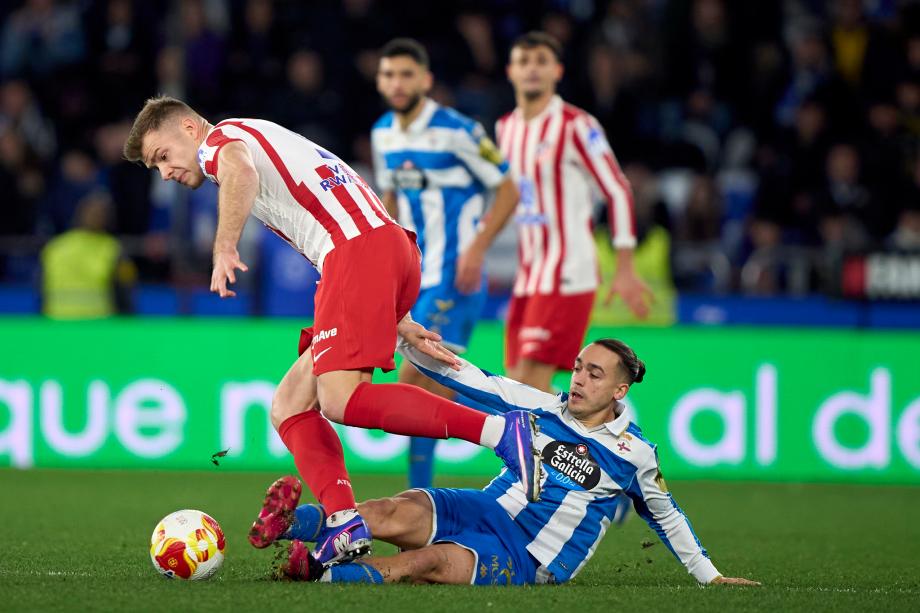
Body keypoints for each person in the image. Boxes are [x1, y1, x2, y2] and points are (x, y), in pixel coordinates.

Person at [121, 96, 542, 567]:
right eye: (154, 167)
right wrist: (396, 317)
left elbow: (240, 173)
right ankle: (343, 521)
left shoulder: (220, 143)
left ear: (188, 127)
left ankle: (502, 430)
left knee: (341, 398)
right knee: (289, 405)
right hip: (387, 248)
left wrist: (224, 247)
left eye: (162, 156)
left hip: (356, 252)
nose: (165, 172)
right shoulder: (255, 130)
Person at [249, 337, 760, 588]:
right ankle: (289, 524)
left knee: (425, 561)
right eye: (579, 367)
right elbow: (472, 380)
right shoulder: (542, 406)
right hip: (486, 509)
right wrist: (404, 339)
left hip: (530, 557)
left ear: (620, 390)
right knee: (392, 508)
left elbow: (665, 515)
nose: (579, 379)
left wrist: (709, 576)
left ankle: (319, 572)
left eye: (595, 374)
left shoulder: (636, 455)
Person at [372, 37, 519, 489]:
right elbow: (389, 202)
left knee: (414, 382)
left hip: (455, 277)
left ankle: (422, 496)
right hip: (415, 282)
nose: (397, 83)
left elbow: (510, 188)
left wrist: (477, 249)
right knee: (434, 392)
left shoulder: (460, 130)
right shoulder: (383, 134)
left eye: (406, 74)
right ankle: (541, 431)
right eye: (389, 74)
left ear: (426, 80)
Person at [497, 32, 652, 392]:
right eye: (524, 61)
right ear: (510, 71)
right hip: (529, 276)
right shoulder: (506, 128)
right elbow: (510, 197)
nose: (532, 69)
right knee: (518, 387)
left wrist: (625, 266)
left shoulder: (576, 125)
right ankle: (582, 441)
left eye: (541, 62)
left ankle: (591, 442)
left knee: (526, 386)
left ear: (558, 71)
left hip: (567, 272)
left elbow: (618, 188)